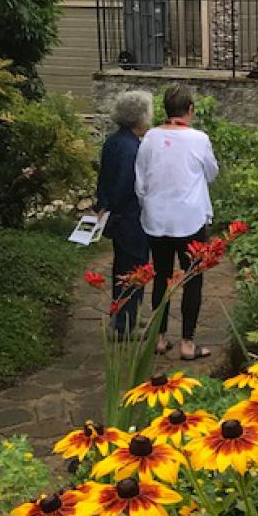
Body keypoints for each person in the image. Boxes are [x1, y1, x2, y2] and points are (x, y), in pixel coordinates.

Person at [135, 84, 219, 359]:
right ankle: (187, 343)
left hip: (156, 218)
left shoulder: (149, 138)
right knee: (192, 279)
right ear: (190, 110)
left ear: (166, 109)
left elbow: (140, 181)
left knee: (161, 276)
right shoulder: (199, 139)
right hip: (190, 219)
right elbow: (211, 172)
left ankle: (159, 338)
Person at [94, 90, 153, 338]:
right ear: (140, 116)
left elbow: (104, 178)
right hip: (129, 217)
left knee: (123, 267)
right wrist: (116, 209)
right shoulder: (131, 147)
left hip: (116, 215)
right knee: (134, 268)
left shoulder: (114, 141)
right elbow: (126, 184)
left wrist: (103, 206)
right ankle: (123, 326)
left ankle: (125, 316)